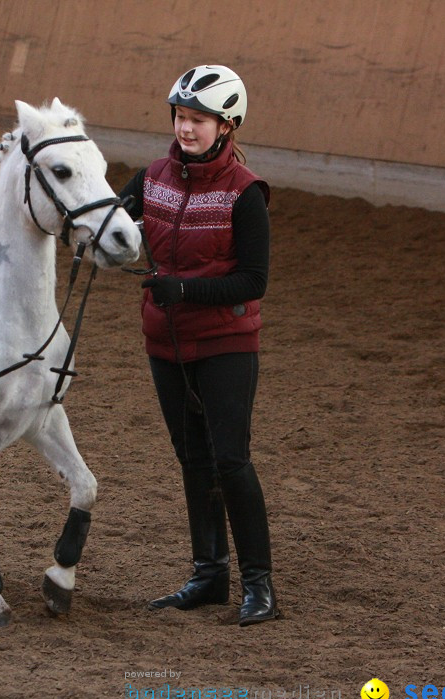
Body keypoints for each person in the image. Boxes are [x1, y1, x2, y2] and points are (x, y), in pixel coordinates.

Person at [118, 64, 278, 625]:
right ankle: (209, 574)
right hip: (165, 344)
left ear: (226, 126)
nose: (187, 129)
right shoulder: (153, 177)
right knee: (193, 460)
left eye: (199, 120)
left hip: (226, 345)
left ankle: (259, 584)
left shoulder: (245, 195)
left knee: (230, 461)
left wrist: (183, 289)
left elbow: (253, 281)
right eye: (182, 117)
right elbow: (112, 224)